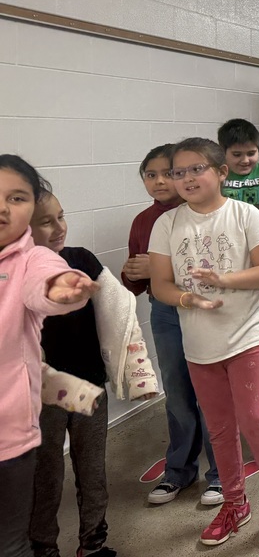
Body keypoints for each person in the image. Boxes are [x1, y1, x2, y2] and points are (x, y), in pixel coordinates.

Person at [148, 138, 259, 550]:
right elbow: (160, 284)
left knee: (254, 420)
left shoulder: (245, 215)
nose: (186, 178)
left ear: (221, 173)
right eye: (178, 172)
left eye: (197, 169)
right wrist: (187, 298)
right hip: (199, 340)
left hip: (249, 332)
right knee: (220, 427)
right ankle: (234, 502)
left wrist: (223, 281)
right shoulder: (168, 224)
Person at [29, 188, 157, 557]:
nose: (58, 228)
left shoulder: (80, 259)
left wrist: (139, 374)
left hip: (89, 383)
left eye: (61, 217)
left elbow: (120, 314)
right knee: (46, 474)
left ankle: (93, 540)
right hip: (42, 395)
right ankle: (43, 546)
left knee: (91, 466)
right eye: (45, 222)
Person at [0, 155, 98, 557]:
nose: (3, 208)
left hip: (18, 425)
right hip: (49, 390)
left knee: (12, 538)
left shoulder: (33, 260)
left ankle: (91, 537)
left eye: (17, 198)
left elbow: (46, 281)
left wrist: (62, 287)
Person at [122, 144, 223, 507]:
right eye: (151, 175)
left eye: (171, 172)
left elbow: (215, 266)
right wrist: (133, 274)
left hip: (205, 310)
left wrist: (160, 270)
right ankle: (179, 470)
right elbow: (135, 277)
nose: (161, 181)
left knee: (211, 392)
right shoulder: (143, 221)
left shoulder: (201, 213)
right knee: (178, 393)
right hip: (165, 312)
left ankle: (222, 473)